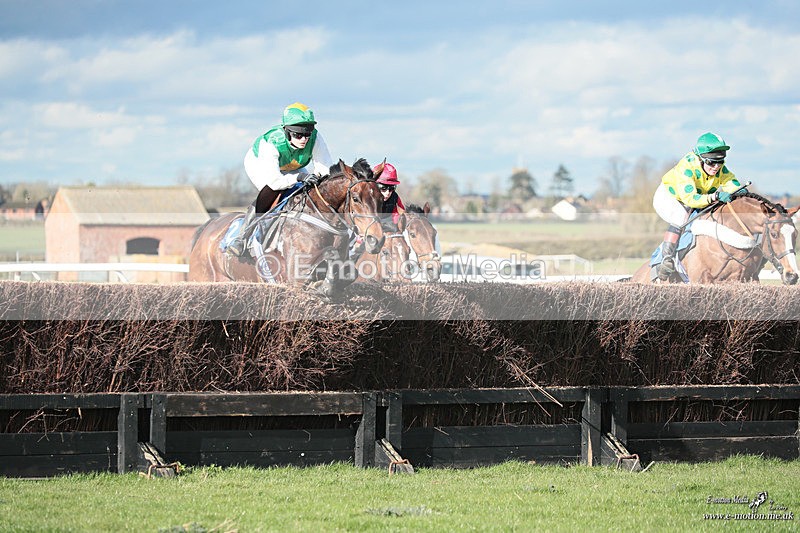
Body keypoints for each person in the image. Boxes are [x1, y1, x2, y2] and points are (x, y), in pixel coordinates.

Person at [227, 102, 334, 257]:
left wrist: (317, 180)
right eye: (298, 135)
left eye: (307, 134)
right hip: (260, 164)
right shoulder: (271, 143)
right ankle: (242, 237)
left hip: (292, 166)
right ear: (286, 131)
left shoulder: (315, 137)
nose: (304, 139)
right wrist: (300, 177)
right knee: (273, 192)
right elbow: (275, 182)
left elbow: (325, 170)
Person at [652, 132, 745, 280]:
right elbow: (691, 199)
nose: (716, 167)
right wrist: (714, 196)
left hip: (694, 198)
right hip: (670, 197)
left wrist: (740, 192)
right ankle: (665, 259)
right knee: (681, 218)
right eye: (711, 162)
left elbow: (730, 182)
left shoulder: (719, 167)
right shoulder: (686, 168)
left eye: (720, 162)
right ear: (700, 158)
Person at [374, 162, 406, 231]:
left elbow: (399, 217)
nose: (387, 193)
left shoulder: (394, 197)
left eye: (392, 188)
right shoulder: (366, 197)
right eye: (383, 188)